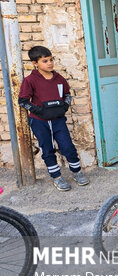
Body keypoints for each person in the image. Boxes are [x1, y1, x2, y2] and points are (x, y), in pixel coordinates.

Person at [18, 46, 89, 191]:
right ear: (35, 63)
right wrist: (39, 111)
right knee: (48, 149)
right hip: (40, 122)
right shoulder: (30, 80)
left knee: (67, 147)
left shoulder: (59, 79)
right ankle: (56, 177)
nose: (50, 63)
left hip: (58, 120)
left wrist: (64, 107)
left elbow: (67, 95)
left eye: (51, 60)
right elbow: (23, 101)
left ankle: (77, 172)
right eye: (45, 61)